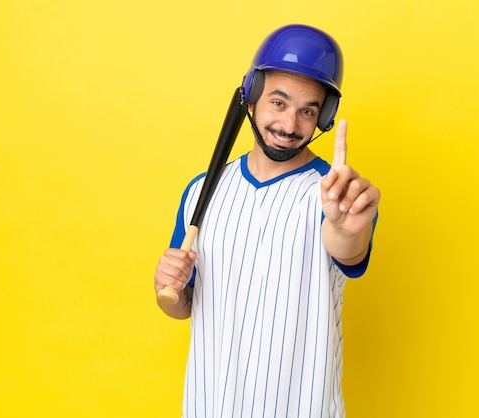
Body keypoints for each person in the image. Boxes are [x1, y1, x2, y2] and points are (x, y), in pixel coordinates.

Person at [154, 24, 380, 417]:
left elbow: (347, 246)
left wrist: (346, 229)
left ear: (323, 117)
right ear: (253, 98)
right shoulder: (201, 192)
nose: (289, 125)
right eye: (279, 102)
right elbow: (180, 303)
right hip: (211, 404)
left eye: (307, 110)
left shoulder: (336, 197)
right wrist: (166, 288)